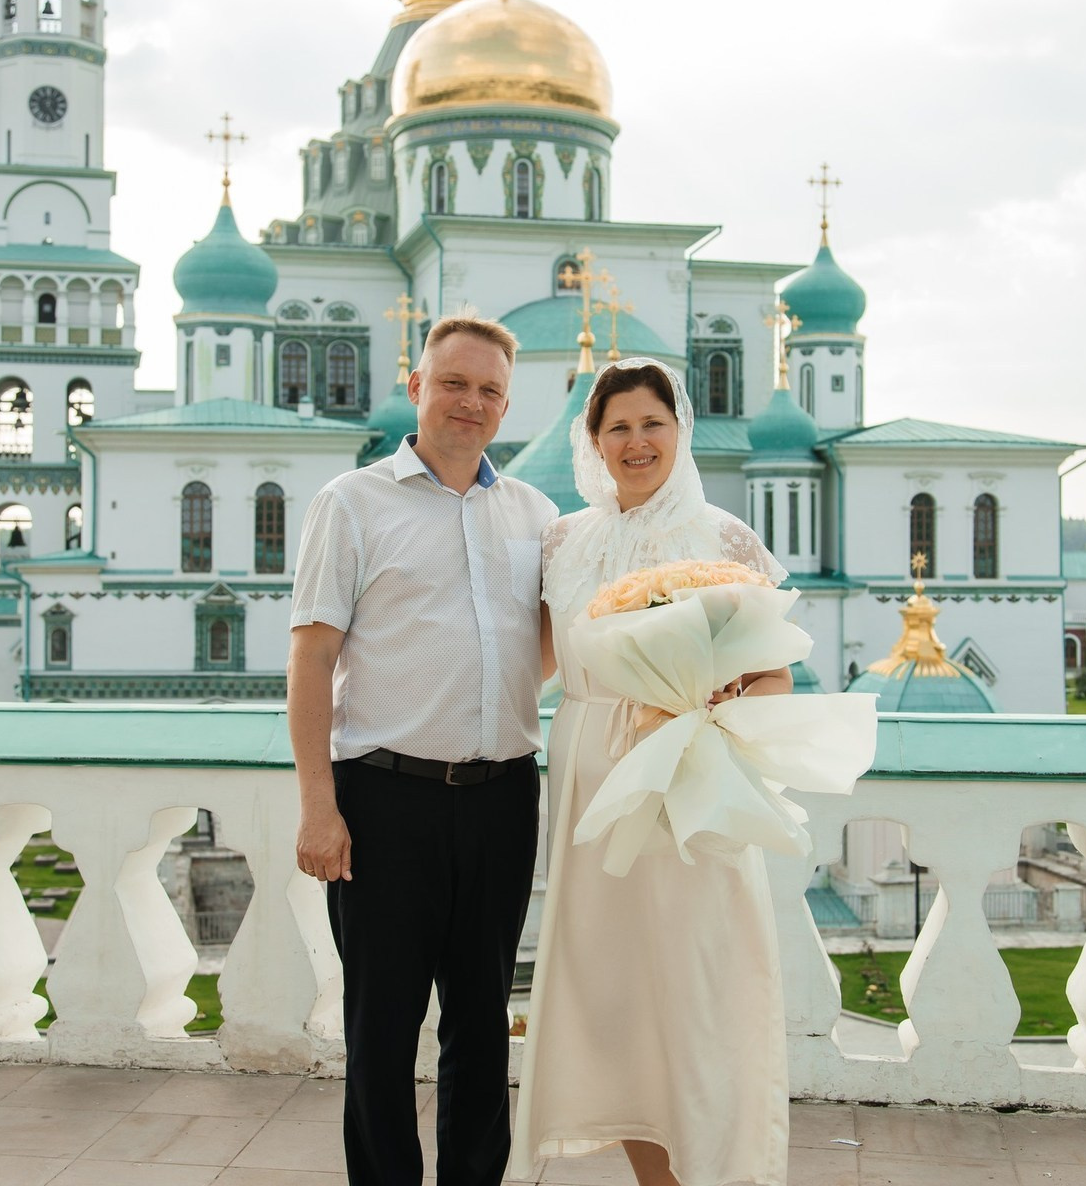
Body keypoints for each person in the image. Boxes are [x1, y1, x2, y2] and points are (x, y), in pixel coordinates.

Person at [288, 312, 557, 1186]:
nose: (469, 402)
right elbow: (312, 656)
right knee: (382, 1032)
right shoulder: (353, 503)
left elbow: (545, 644)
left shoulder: (534, 513)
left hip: (501, 800)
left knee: (481, 1025)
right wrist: (319, 807)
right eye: (454, 383)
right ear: (417, 388)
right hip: (384, 804)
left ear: (506, 405)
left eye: (488, 390)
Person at [512, 357, 794, 1186]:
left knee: (697, 988)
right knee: (614, 997)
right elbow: (535, 666)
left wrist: (709, 705)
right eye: (618, 427)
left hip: (688, 783)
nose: (636, 442)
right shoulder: (564, 541)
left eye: (652, 423)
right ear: (592, 441)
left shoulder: (725, 538)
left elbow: (774, 677)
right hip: (588, 782)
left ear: (680, 431)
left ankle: (717, 1164)